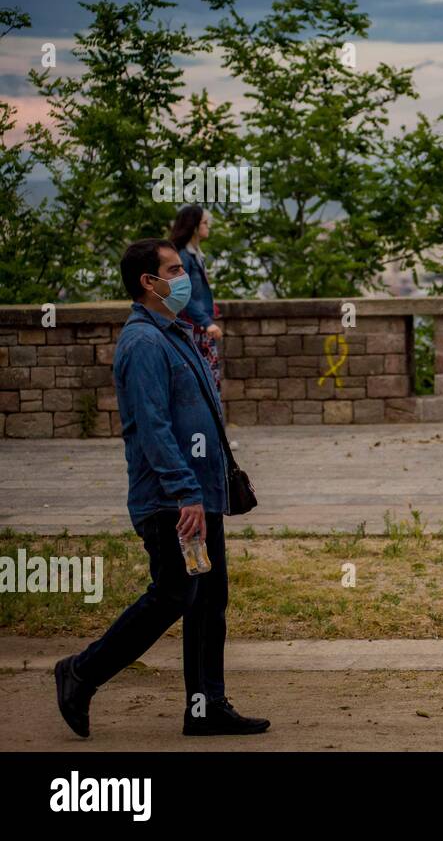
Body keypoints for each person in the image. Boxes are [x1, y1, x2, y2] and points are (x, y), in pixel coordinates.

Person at [54, 239, 269, 738]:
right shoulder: (144, 343)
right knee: (174, 593)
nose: (183, 276)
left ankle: (206, 707)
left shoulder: (174, 333)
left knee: (209, 599)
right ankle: (81, 672)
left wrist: (209, 483)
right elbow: (152, 427)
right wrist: (184, 492)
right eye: (173, 270)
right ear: (148, 282)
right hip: (173, 500)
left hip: (200, 494)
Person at [168, 205, 233, 447]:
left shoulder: (194, 255)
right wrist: (207, 322)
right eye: (205, 223)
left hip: (198, 328)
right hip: (195, 329)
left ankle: (215, 437)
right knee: (204, 382)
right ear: (194, 227)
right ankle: (213, 438)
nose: (208, 226)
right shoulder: (184, 258)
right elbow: (185, 296)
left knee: (209, 382)